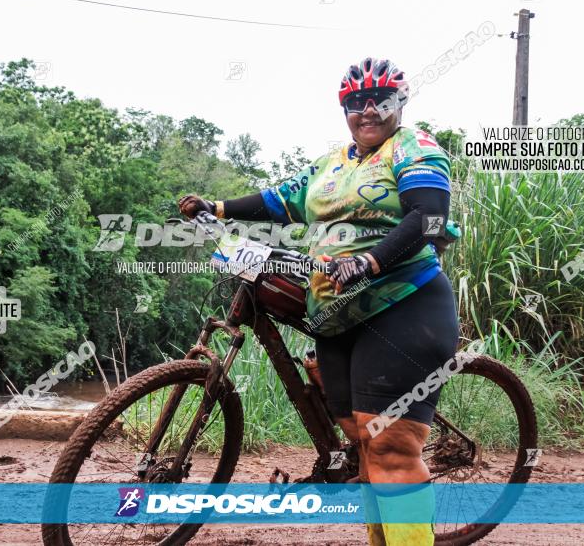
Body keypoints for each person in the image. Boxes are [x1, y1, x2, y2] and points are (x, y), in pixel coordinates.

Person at [179, 57, 459, 545]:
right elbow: (278, 201)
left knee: (391, 448)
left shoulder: (415, 149)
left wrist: (370, 262)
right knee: (363, 444)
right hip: (335, 317)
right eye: (356, 103)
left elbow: (430, 220)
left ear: (400, 103)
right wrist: (216, 207)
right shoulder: (333, 162)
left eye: (380, 101)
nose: (367, 110)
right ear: (345, 108)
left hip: (403, 305)